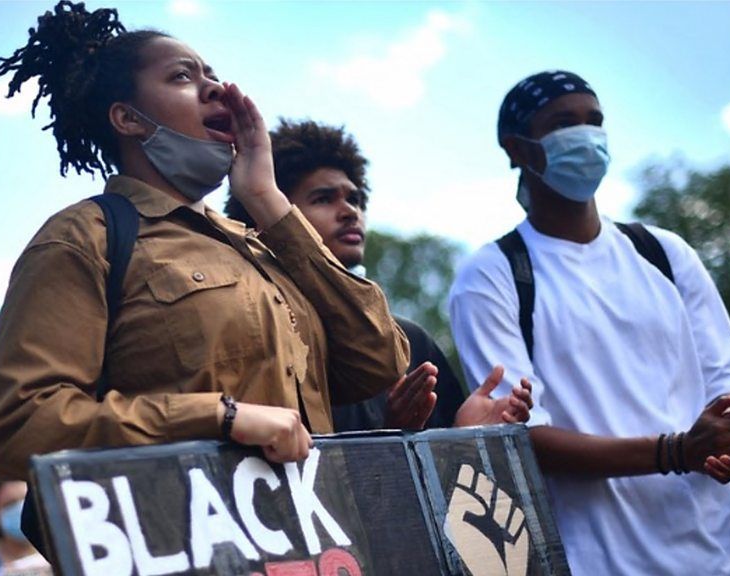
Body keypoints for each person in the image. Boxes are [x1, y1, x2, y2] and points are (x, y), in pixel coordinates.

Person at [0, 0, 408, 485]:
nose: (217, 89)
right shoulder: (83, 239)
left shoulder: (260, 242)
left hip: (321, 543)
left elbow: (381, 361)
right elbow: (18, 426)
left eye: (213, 75)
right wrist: (219, 417)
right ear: (128, 119)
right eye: (183, 77)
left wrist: (268, 201)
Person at [448, 70, 730, 575]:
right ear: (518, 149)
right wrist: (675, 450)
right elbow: (520, 436)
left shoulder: (664, 254)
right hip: (606, 560)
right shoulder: (492, 276)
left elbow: (724, 395)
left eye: (595, 121)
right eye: (562, 123)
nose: (586, 136)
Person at [225, 119, 533, 431]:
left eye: (355, 199)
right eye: (323, 198)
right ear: (268, 214)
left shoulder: (410, 341)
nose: (349, 211)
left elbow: (444, 469)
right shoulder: (255, 334)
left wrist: (464, 433)